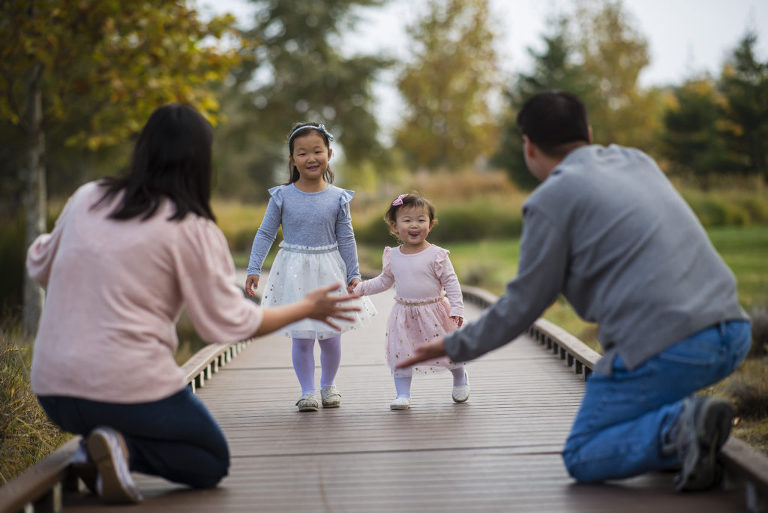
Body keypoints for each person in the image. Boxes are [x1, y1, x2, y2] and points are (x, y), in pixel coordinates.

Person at [396, 91, 751, 491]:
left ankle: (679, 428)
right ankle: (685, 430)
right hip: (733, 330)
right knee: (638, 406)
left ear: (529, 147)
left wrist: (455, 345)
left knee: (584, 452)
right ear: (588, 132)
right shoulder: (638, 161)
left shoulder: (551, 200)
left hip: (665, 347)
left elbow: (524, 302)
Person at [26, 103, 361, 505]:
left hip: (52, 390)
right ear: (201, 161)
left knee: (118, 416)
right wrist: (306, 308)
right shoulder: (191, 225)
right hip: (127, 387)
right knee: (209, 461)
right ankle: (117, 448)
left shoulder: (87, 197)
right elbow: (227, 324)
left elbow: (39, 264)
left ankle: (100, 446)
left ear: (143, 148)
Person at [245, 122, 376, 412]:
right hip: (294, 271)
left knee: (330, 335)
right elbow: (266, 232)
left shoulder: (338, 197)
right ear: (292, 159)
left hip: (329, 269)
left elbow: (346, 236)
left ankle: (329, 385)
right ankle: (308, 391)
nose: (311, 158)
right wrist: (254, 267)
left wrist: (353, 274)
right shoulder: (282, 196)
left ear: (329, 154)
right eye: (302, 153)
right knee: (302, 337)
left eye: (317, 151)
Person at [353, 193, 468, 410]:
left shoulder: (437, 255)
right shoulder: (393, 255)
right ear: (395, 226)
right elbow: (384, 281)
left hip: (435, 312)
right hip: (405, 314)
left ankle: (460, 378)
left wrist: (457, 307)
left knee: (447, 349)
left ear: (430, 225)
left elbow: (451, 283)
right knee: (402, 352)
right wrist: (360, 289)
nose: (414, 225)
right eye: (407, 220)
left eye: (421, 220)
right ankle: (403, 394)